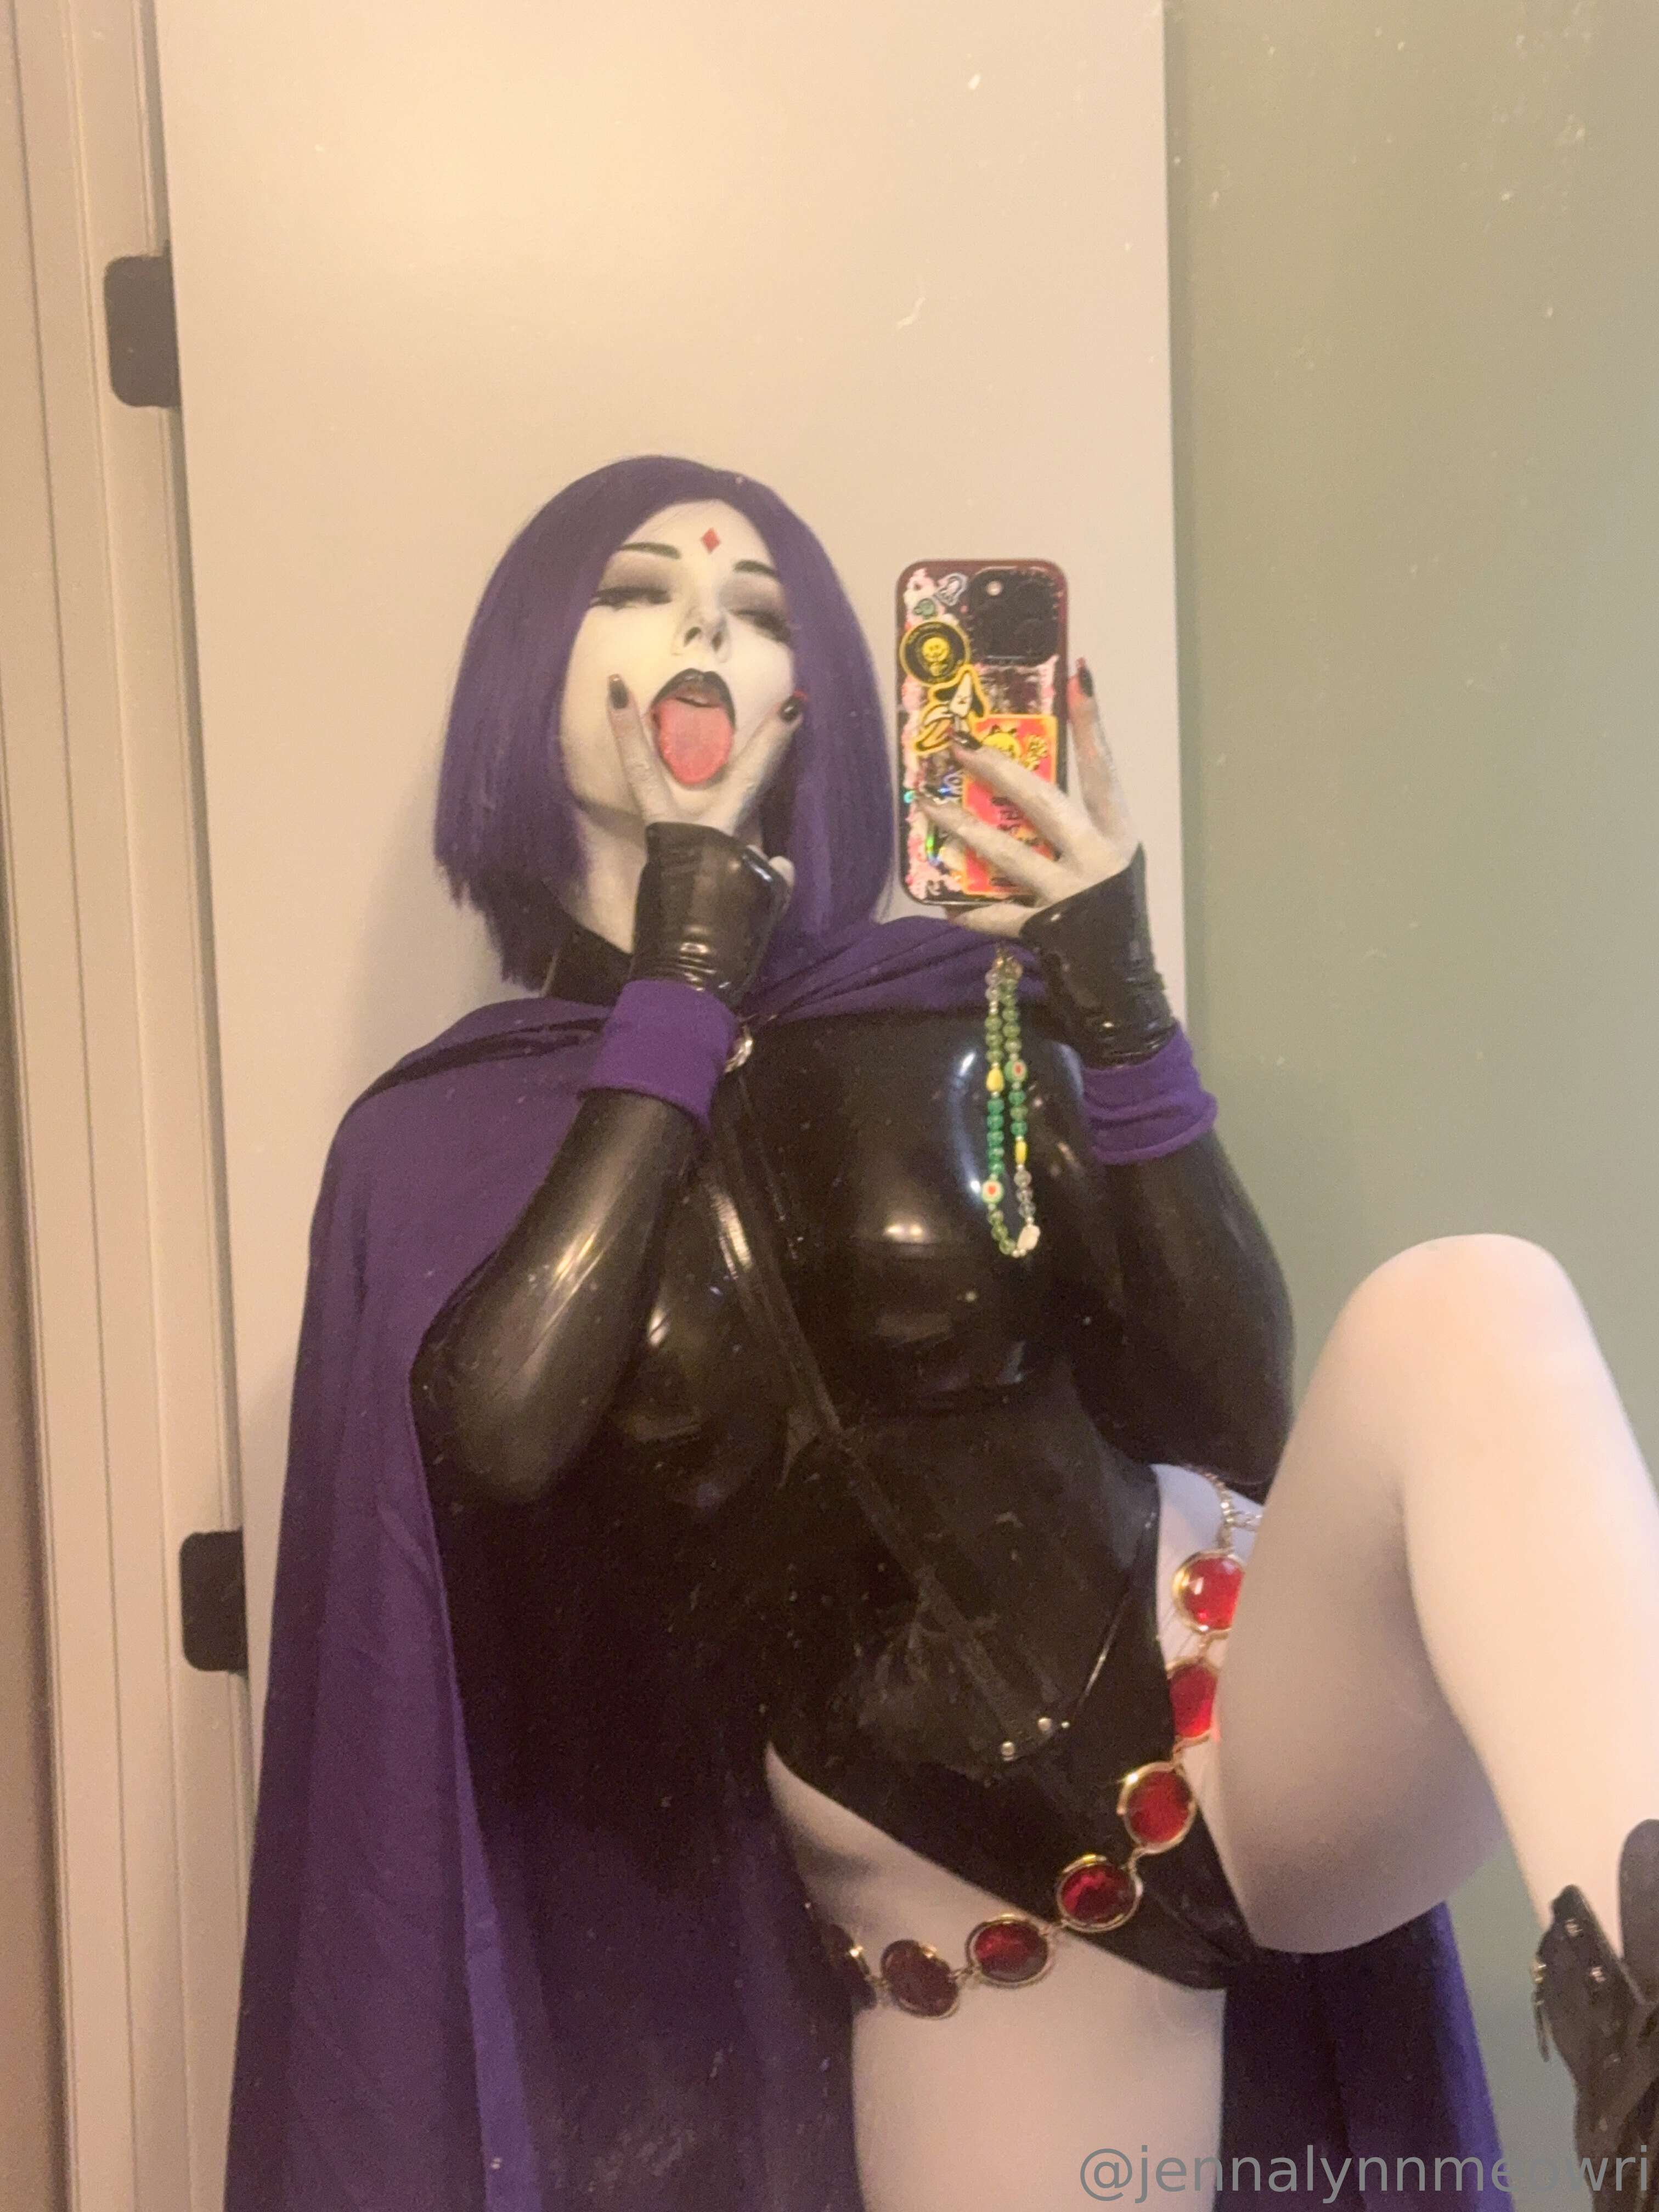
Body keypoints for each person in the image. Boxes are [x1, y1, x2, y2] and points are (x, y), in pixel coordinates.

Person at [225, 455, 1659, 2212]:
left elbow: (1229, 1410)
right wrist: (677, 991)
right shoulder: (439, 1140)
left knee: (1477, 1302)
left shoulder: (946, 1007)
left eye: (758, 612)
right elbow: (500, 1437)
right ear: (530, 669)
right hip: (986, 1923)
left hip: (1250, 1716)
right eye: (639, 591)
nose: (702, 632)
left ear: (817, 694)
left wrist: (1113, 994)